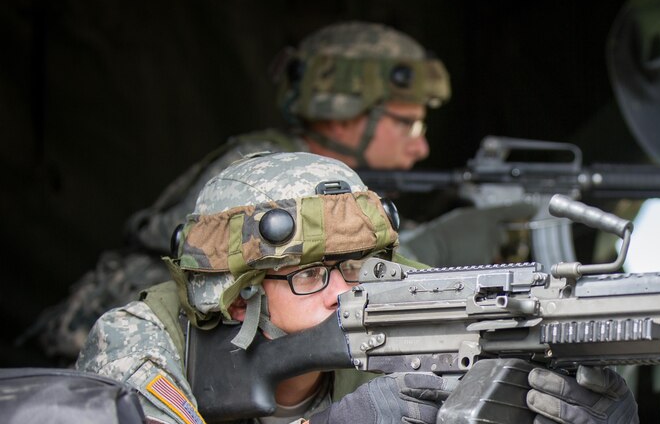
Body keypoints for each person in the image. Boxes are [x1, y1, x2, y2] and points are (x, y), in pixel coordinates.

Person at [76, 150, 660, 424]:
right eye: (310, 274)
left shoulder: (381, 353)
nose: (343, 293)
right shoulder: (139, 347)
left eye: (357, 268)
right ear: (234, 297)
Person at [24, 20, 450, 366]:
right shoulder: (255, 176)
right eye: (407, 123)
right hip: (95, 353)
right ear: (341, 113)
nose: (420, 146)